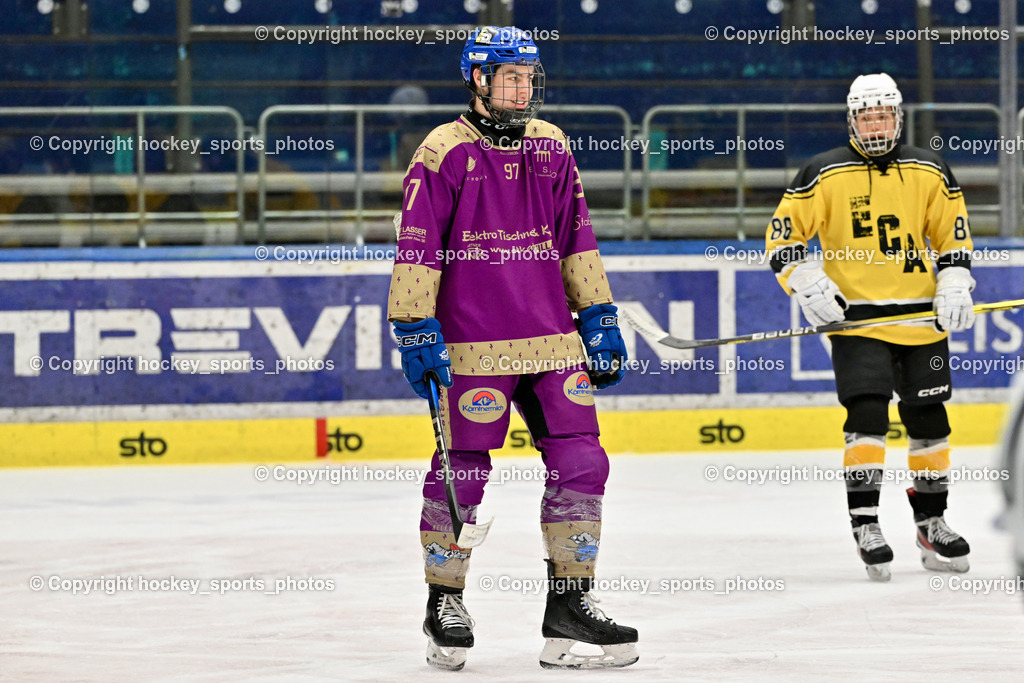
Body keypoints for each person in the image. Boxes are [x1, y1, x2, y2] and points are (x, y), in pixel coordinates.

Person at [387, 26, 638, 670]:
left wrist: (600, 313)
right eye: (509, 76)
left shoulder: (553, 147)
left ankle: (570, 606)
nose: (522, 88)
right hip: (474, 344)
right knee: (462, 471)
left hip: (553, 339)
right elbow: (417, 244)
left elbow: (575, 236)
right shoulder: (441, 151)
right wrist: (415, 325)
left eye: (529, 76)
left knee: (584, 463)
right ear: (476, 79)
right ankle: (444, 599)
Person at [766, 73, 974, 582]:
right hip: (857, 320)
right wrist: (806, 280)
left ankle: (932, 521)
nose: (875, 124)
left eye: (883, 114)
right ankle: (865, 523)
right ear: (851, 119)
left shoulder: (929, 168)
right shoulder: (823, 172)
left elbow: (954, 238)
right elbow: (780, 239)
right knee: (867, 414)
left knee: (930, 419)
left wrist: (953, 282)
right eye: (866, 115)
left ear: (898, 117)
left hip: (920, 318)